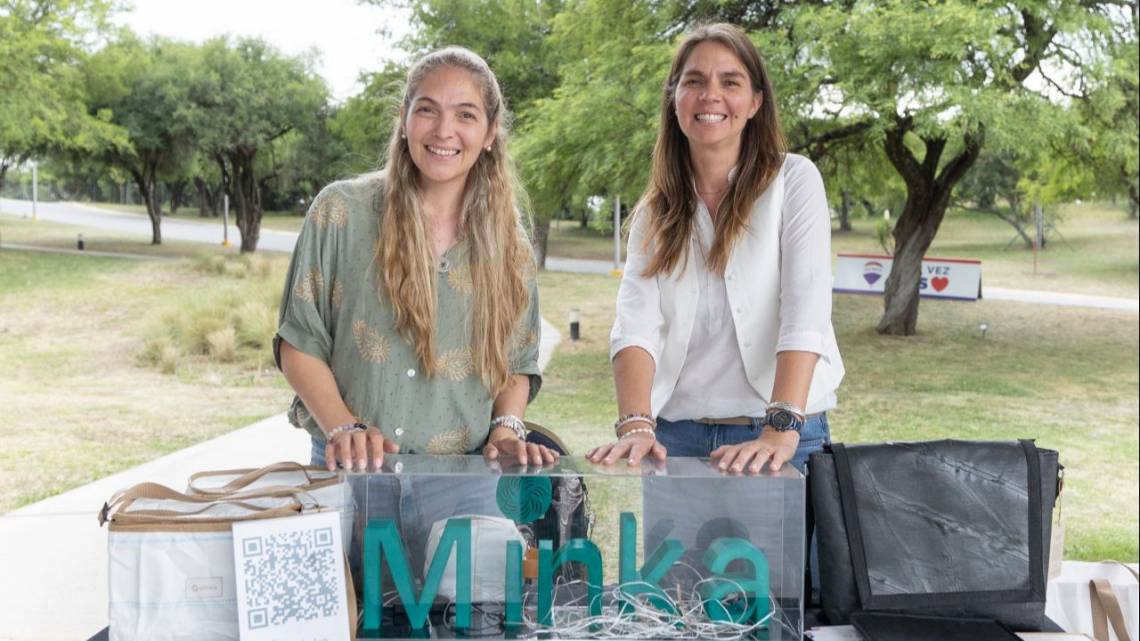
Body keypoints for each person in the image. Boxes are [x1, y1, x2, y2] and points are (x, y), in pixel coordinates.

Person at [274, 46, 559, 475]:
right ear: (404, 120)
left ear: (490, 133)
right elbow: (300, 339)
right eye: (427, 110)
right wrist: (343, 427)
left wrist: (506, 430)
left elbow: (516, 360)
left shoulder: (511, 245)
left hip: (461, 482)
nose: (444, 130)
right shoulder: (340, 213)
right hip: (348, 472)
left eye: (466, 114)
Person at [589, 23, 844, 474]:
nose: (711, 95)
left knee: (792, 550)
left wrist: (779, 429)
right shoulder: (654, 211)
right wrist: (636, 425)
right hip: (677, 439)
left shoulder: (795, 181)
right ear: (674, 99)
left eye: (730, 82)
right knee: (679, 552)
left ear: (755, 102)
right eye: (694, 81)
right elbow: (635, 326)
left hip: (785, 436)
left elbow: (805, 312)